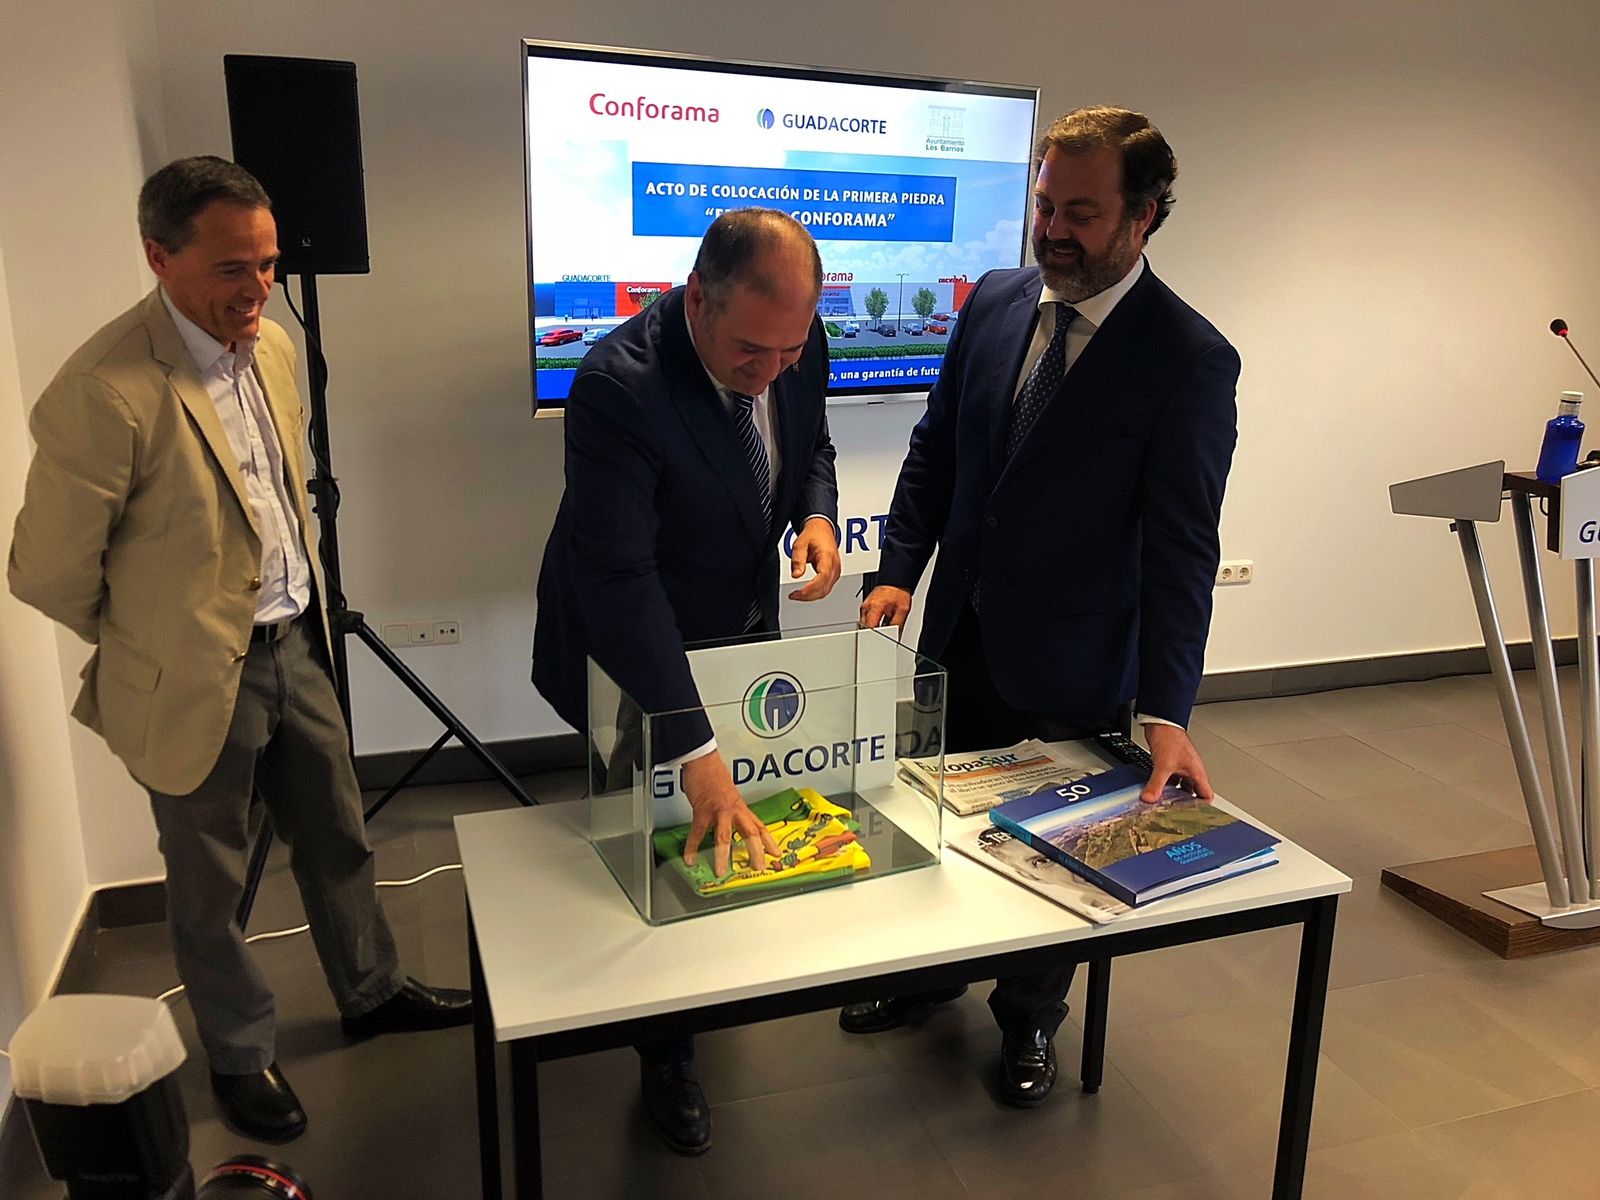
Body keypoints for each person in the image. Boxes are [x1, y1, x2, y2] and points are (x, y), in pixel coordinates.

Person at [8, 157, 472, 1145]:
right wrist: (155, 637)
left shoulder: (274, 350)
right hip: (189, 677)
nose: (256, 289)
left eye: (265, 264)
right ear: (157, 257)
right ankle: (239, 1054)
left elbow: (280, 493)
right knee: (211, 884)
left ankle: (370, 986)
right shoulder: (103, 391)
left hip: (293, 642)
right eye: (231, 269)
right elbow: (47, 572)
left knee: (339, 833)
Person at [839, 107, 1239, 1107]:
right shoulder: (998, 302)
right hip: (957, 631)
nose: (1052, 231)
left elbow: (1184, 549)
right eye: (1044, 206)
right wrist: (898, 564)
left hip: (1071, 663)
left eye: (1082, 213)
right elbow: (939, 444)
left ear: (1144, 218)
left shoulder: (1186, 360)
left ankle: (1026, 1021)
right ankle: (928, 977)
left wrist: (1166, 711)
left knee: (1049, 848)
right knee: (929, 819)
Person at [532, 207, 842, 1154]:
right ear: (698, 299)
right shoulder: (617, 386)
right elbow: (621, 583)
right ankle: (666, 1057)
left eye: (791, 350)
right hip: (635, 648)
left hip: (742, 623)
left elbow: (812, 447)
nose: (775, 368)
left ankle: (714, 976)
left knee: (724, 829)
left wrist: (818, 517)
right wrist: (696, 745)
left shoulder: (794, 333)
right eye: (754, 351)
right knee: (657, 838)